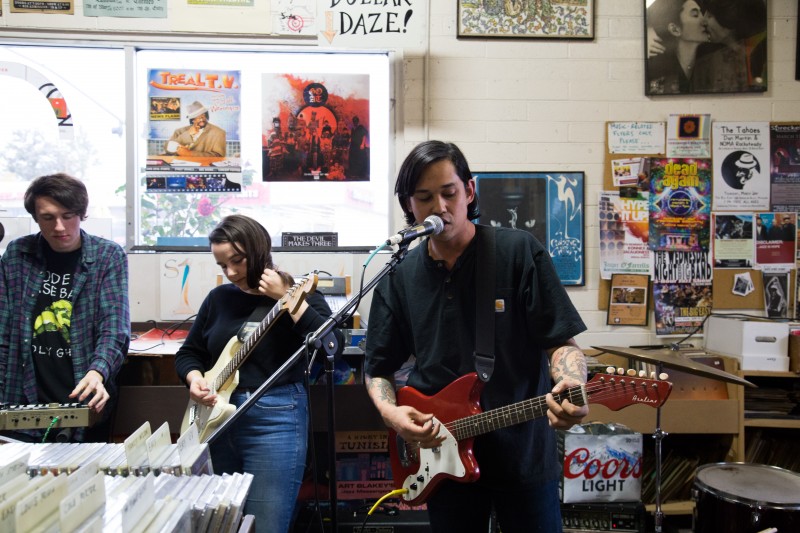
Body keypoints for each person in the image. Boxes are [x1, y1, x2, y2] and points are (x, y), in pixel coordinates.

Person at [363, 141, 589, 532]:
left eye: (449, 193)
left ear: (469, 191)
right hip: (441, 457)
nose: (440, 206)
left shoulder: (517, 252)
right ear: (409, 205)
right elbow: (378, 368)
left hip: (522, 454)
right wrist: (391, 413)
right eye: (424, 197)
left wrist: (573, 382)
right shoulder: (398, 275)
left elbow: (561, 343)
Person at [174, 214, 342, 533]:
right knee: (218, 523)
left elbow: (333, 345)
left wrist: (288, 299)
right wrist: (194, 378)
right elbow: (189, 353)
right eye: (223, 265)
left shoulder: (300, 293)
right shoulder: (218, 299)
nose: (232, 272)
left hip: (275, 420)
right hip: (215, 423)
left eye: (237, 260)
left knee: (266, 525)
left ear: (260, 249)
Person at [0, 173, 130, 443]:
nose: (59, 226)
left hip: (84, 395)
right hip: (22, 396)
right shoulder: (17, 254)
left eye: (68, 215)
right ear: (36, 218)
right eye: (48, 217)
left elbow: (114, 328)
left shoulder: (108, 256)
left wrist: (98, 372)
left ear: (81, 214)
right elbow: (3, 330)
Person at [693, 0, 767, 93]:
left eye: (709, 16)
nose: (703, 21)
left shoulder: (760, 55)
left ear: (728, 18)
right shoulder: (706, 55)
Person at [645, 0, 710, 95]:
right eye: (695, 15)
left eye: (702, 14)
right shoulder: (657, 71)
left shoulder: (712, 58)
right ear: (675, 30)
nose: (705, 21)